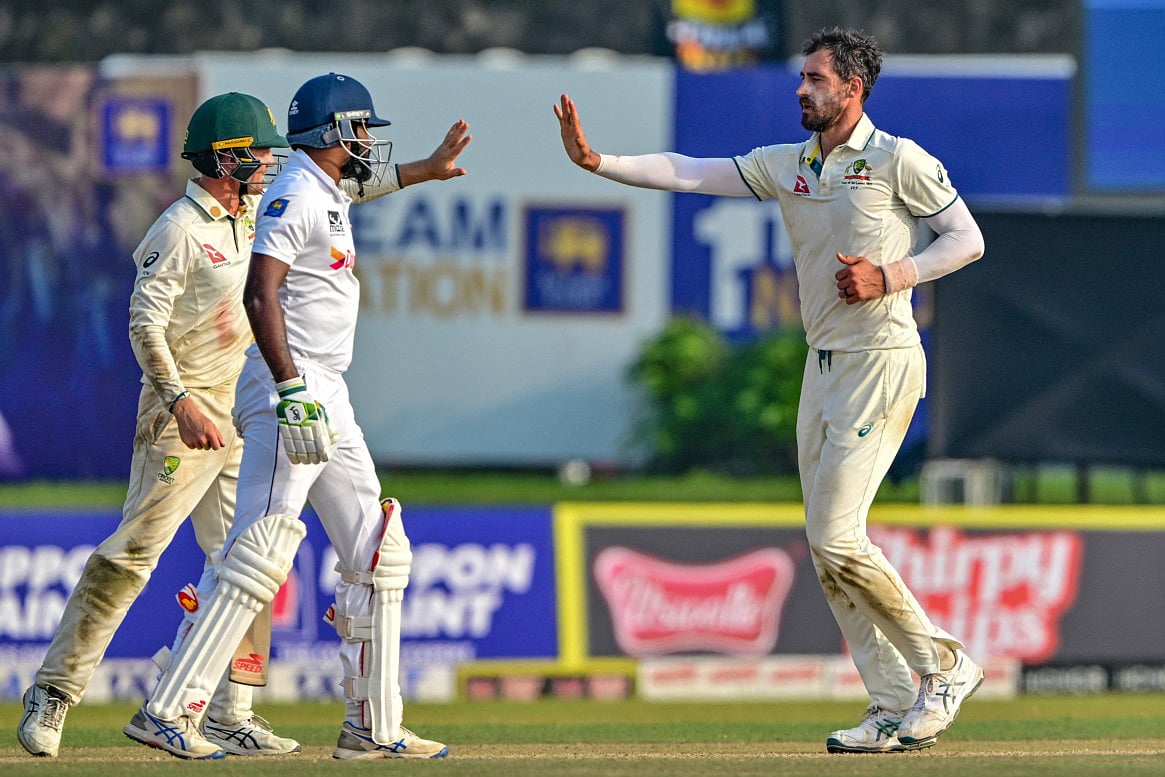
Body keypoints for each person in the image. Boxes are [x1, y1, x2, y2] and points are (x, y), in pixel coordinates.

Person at [555, 27, 985, 754]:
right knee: (826, 549)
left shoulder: (895, 159)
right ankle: (887, 701)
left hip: (880, 358)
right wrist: (599, 161)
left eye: (815, 79)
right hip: (821, 367)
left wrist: (890, 275)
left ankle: (942, 665)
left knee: (838, 535)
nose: (800, 89)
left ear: (850, 90)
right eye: (801, 77)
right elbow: (691, 172)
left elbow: (965, 239)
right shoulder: (789, 165)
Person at [123, 73, 470, 760]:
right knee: (261, 549)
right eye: (361, 128)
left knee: (379, 550)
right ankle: (169, 709)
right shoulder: (293, 192)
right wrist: (288, 387)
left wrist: (422, 171)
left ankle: (372, 726)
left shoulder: (323, 189)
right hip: (293, 384)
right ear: (334, 132)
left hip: (323, 386)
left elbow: (353, 191)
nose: (368, 140)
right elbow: (261, 292)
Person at [17, 93, 301, 758]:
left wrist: (415, 172)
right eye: (258, 152)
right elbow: (143, 323)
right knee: (132, 556)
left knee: (250, 560)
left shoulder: (253, 212)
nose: (269, 162)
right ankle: (53, 692)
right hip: (182, 415)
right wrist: (178, 401)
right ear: (224, 158)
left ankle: (231, 708)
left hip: (238, 412)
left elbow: (324, 194)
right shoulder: (177, 229)